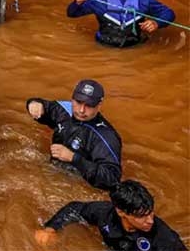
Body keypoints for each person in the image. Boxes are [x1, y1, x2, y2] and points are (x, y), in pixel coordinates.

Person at [26, 79, 122, 190]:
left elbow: (112, 180)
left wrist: (74, 158)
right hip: (53, 170)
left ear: (99, 105)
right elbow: (44, 106)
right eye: (78, 102)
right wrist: (33, 104)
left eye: (89, 105)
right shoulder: (66, 110)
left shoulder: (106, 137)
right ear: (72, 99)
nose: (81, 110)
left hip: (77, 185)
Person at [35, 180, 186, 250]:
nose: (150, 221)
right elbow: (75, 209)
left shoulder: (166, 240)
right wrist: (50, 229)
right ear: (120, 212)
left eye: (151, 213)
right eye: (141, 216)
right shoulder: (104, 214)